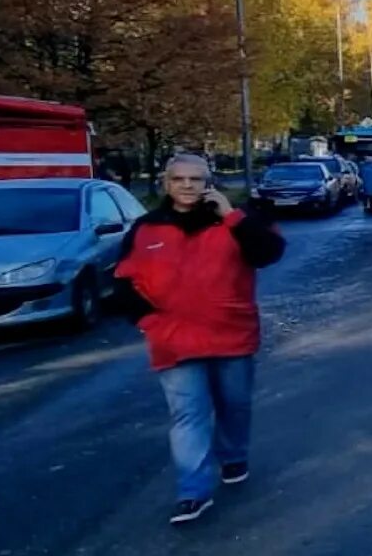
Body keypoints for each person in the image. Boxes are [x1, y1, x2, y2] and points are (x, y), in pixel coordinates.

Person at [114, 154, 285, 525]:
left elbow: (269, 253)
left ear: (210, 183)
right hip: (174, 340)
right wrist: (147, 321)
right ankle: (193, 492)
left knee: (234, 404)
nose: (188, 186)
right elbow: (123, 281)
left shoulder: (238, 220)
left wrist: (231, 215)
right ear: (166, 183)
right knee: (188, 415)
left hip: (231, 334)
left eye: (196, 179)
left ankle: (233, 455)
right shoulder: (146, 228)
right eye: (179, 179)